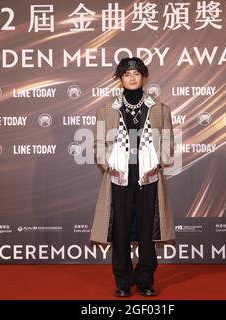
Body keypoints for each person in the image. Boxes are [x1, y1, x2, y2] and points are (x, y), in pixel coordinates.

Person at [90, 57, 175, 297]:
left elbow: (168, 142)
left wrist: (158, 162)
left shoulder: (160, 109)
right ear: (120, 78)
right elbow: (98, 143)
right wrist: (107, 164)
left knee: (148, 229)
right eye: (127, 74)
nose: (132, 78)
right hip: (120, 176)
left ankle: (146, 279)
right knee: (121, 229)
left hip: (148, 176)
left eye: (136, 73)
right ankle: (123, 280)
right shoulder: (106, 110)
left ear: (144, 77)